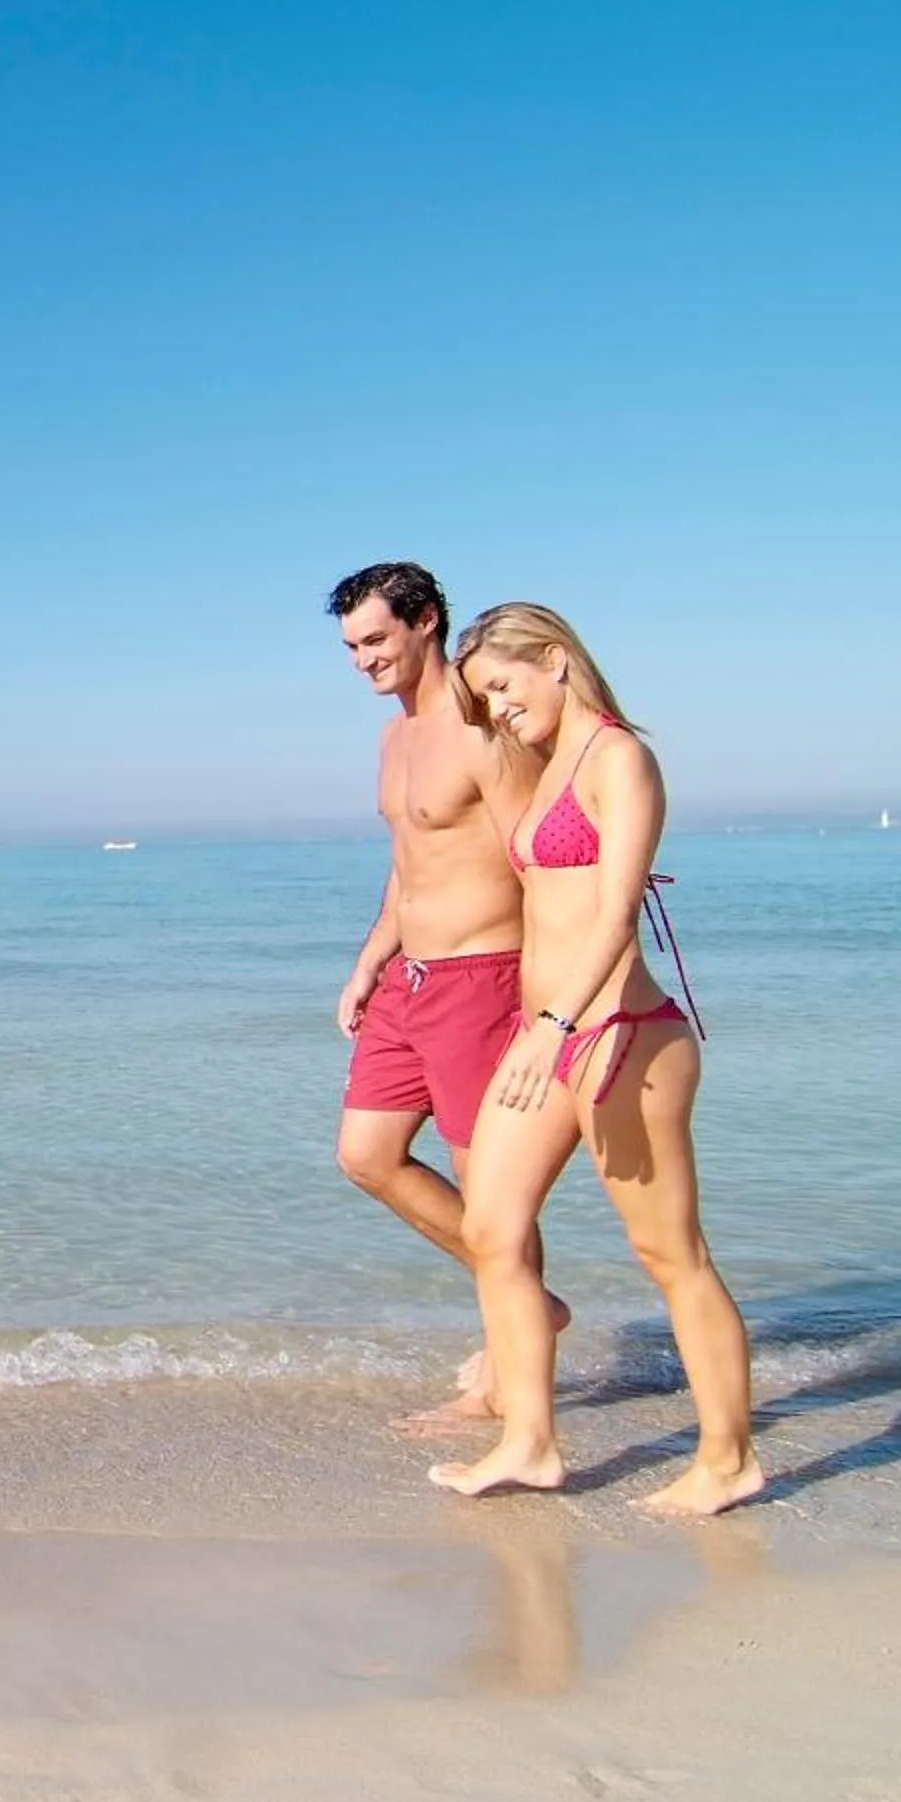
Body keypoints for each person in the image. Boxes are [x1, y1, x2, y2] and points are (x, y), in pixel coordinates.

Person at [429, 601, 760, 1515]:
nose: (500, 710)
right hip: (550, 1037)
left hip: (622, 1037)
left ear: (557, 660)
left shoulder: (620, 759)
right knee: (492, 1230)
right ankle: (529, 1444)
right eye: (485, 700)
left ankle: (729, 1460)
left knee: (671, 1255)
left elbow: (614, 915)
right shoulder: (545, 770)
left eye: (504, 687)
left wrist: (554, 1024)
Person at [326, 561, 566, 1426]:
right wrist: (370, 960)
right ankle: (531, 1308)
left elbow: (540, 860)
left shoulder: (482, 728)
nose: (363, 659)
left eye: (376, 639)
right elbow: (411, 861)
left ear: (425, 620)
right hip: (410, 978)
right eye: (352, 647)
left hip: (483, 977)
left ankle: (509, 1371)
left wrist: (550, 1000)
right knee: (367, 1154)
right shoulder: (394, 739)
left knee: (490, 1186)